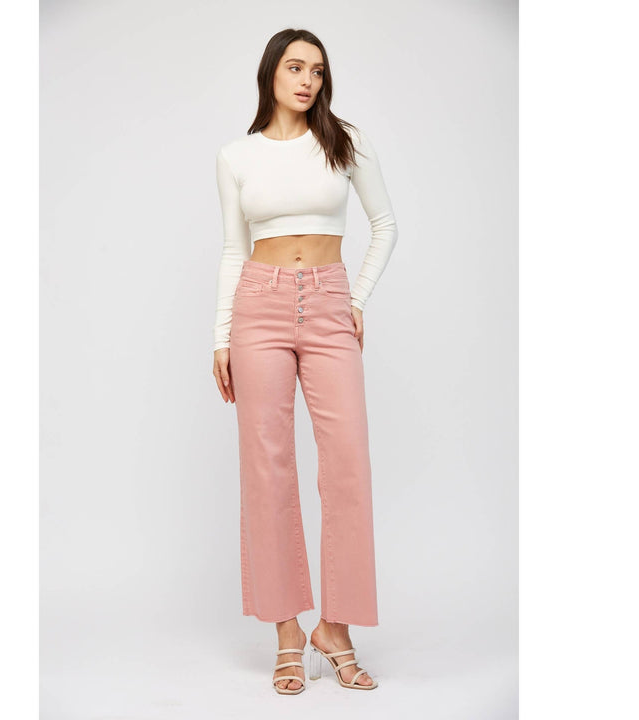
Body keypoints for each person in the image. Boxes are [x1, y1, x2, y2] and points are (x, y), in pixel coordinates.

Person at [211, 28, 398, 694]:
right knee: (267, 467)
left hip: (327, 303)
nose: (307, 81)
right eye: (295, 67)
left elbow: (386, 224)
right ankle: (288, 631)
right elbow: (233, 248)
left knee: (347, 464)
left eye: (317, 71)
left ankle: (335, 629)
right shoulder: (236, 156)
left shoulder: (343, 141)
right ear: (271, 73)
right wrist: (221, 335)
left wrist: (356, 299)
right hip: (257, 305)